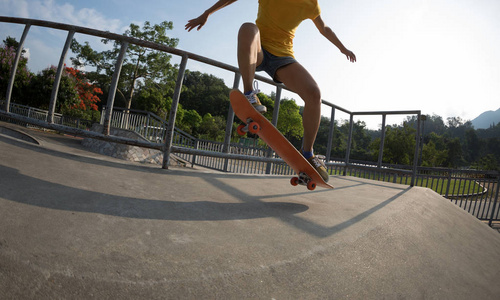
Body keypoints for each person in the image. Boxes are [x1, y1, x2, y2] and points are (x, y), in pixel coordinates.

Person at [186, 0, 356, 182]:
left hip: (283, 58)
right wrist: (207, 13)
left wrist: (342, 48)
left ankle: (308, 153)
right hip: (257, 50)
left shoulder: (311, 4)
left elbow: (324, 28)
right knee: (248, 28)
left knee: (314, 94)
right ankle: (250, 93)